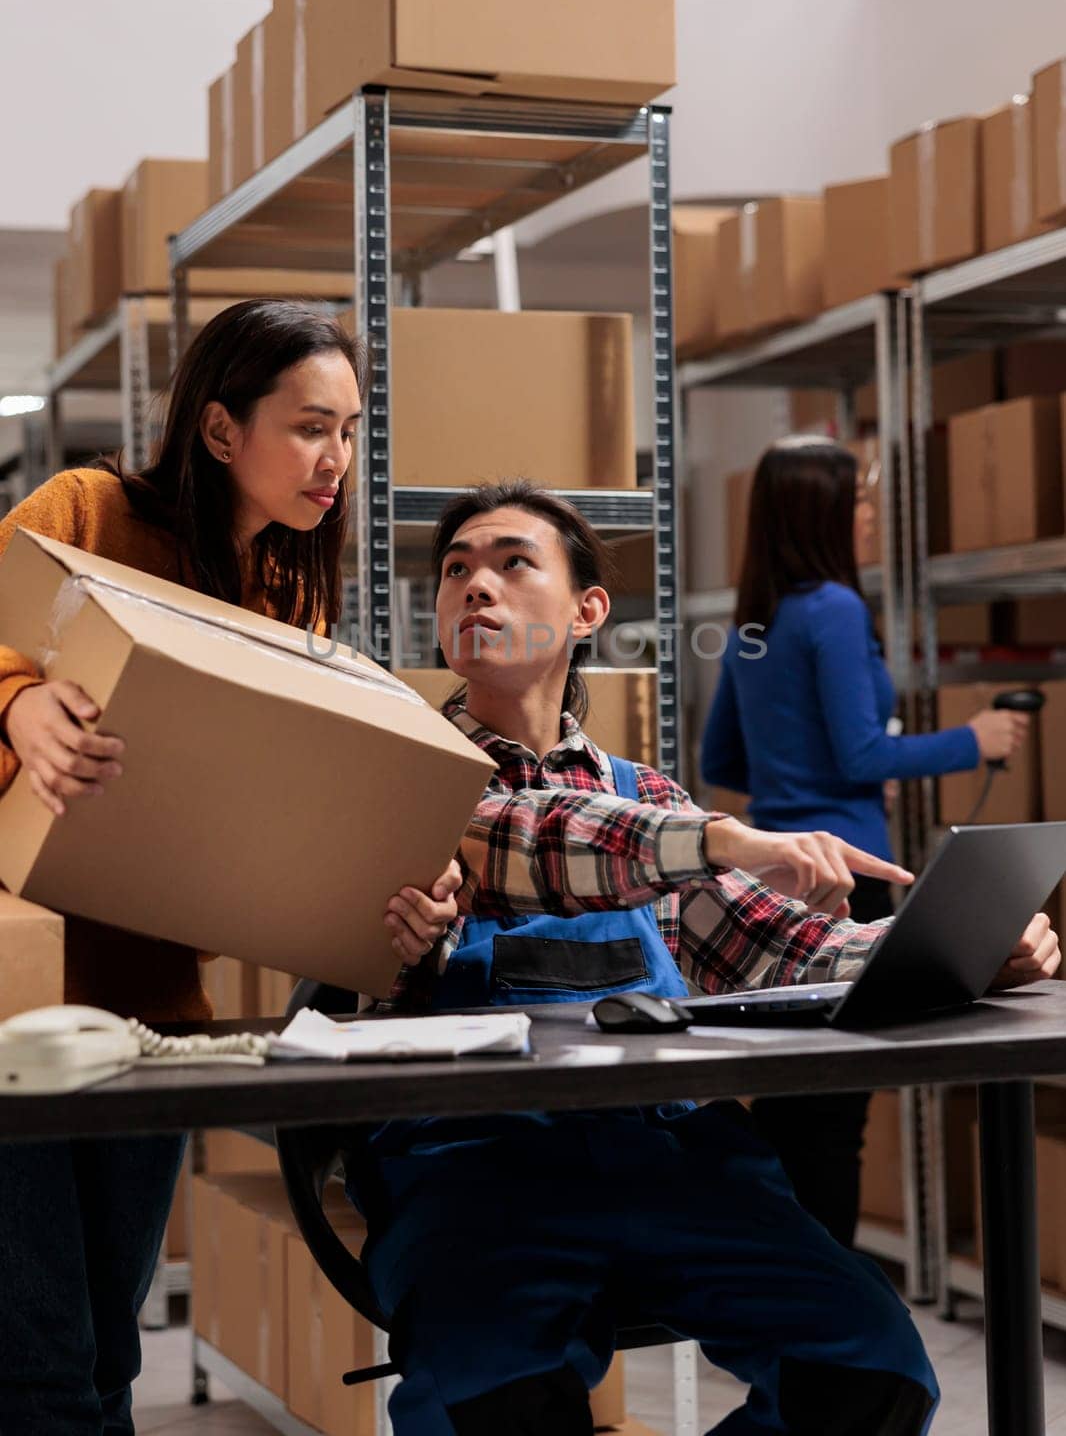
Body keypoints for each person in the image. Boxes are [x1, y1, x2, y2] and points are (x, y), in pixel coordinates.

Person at [352, 477, 1058, 1436]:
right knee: (493, 1405)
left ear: (589, 610)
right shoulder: (409, 775)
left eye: (513, 563)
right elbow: (539, 835)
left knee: (869, 1373)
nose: (477, 586)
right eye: (455, 571)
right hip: (483, 1170)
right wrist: (723, 835)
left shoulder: (645, 794)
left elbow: (794, 946)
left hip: (672, 1157)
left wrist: (965, 943)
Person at [0, 299, 459, 1436]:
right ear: (218, 428)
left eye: (349, 431)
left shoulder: (290, 597)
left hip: (157, 1014)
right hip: (15, 1003)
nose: (336, 461)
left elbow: (285, 813)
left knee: (111, 1349)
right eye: (311, 427)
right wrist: (19, 705)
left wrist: (404, 874)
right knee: (41, 1366)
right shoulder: (88, 513)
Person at [699, 435, 1031, 1246]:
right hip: (847, 879)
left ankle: (791, 1294)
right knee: (834, 1121)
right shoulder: (836, 610)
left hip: (771, 885)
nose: (873, 515)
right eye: (860, 501)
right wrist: (974, 738)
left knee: (787, 1110)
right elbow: (863, 754)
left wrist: (798, 769)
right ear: (820, 511)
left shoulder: (753, 621)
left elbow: (721, 760)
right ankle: (832, 1304)